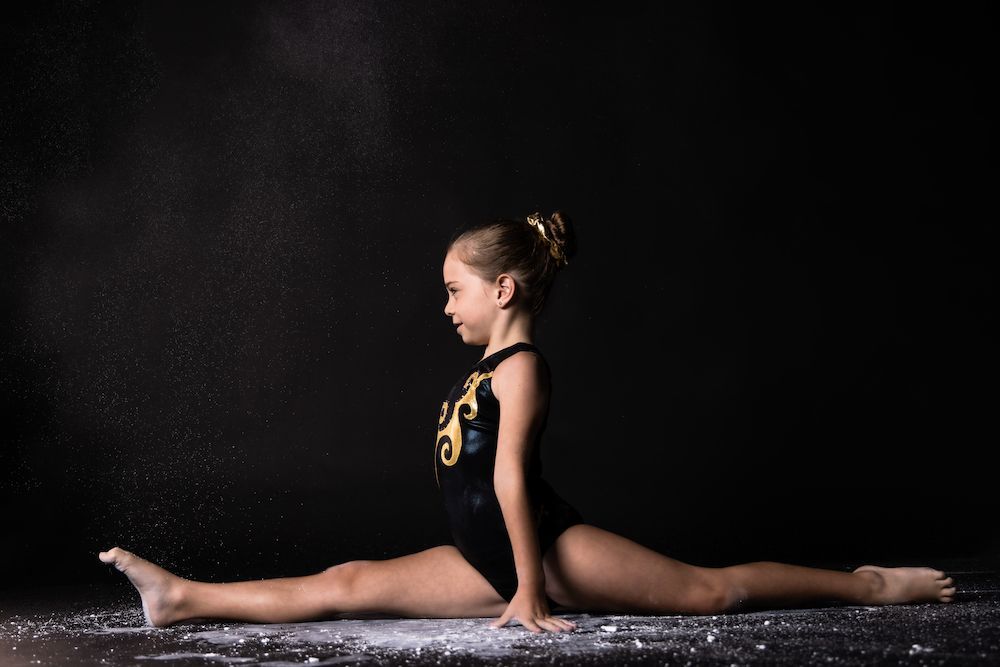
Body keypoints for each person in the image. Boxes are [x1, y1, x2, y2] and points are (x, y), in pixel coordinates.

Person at [99, 210, 955, 634]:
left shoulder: (522, 367)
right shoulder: (484, 368)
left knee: (711, 590)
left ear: (502, 290)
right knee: (348, 576)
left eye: (454, 289)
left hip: (540, 545)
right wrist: (507, 576)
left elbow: (508, 478)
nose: (445, 306)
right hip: (487, 552)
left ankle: (870, 582)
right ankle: (181, 596)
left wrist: (530, 589)